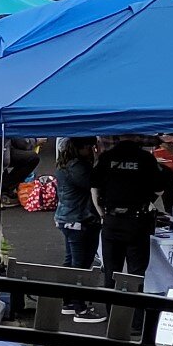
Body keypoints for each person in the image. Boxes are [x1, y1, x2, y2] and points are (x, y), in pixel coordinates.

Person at [90, 135, 172, 327]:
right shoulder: (145, 159)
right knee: (136, 274)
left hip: (112, 220)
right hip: (137, 221)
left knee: (111, 272)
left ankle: (114, 320)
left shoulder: (107, 157)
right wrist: (148, 200)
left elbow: (94, 185)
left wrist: (102, 213)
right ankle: (136, 322)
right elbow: (162, 183)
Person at [52, 137, 102, 319]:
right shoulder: (79, 168)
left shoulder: (64, 165)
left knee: (71, 261)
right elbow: (97, 183)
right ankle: (80, 308)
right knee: (81, 264)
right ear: (81, 148)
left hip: (67, 218)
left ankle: (67, 300)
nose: (92, 150)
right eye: (90, 147)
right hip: (80, 220)